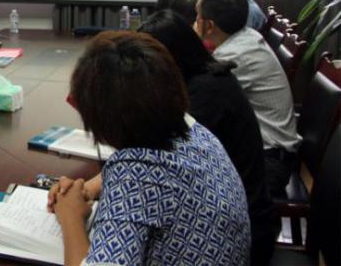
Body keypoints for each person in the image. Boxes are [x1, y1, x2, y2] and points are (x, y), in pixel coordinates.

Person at [47, 31, 250, 266]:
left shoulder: (134, 175)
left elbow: (140, 177)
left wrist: (71, 216)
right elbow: (152, 172)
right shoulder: (192, 130)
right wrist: (88, 189)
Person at [139, 10, 280, 264]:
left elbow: (161, 159)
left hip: (244, 233)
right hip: (236, 216)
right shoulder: (207, 77)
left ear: (170, 59)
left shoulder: (206, 94)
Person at [196, 0, 301, 197]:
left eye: (197, 17)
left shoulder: (235, 55)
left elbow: (199, 97)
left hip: (267, 163)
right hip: (268, 152)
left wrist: (191, 42)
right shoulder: (248, 37)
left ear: (209, 26)